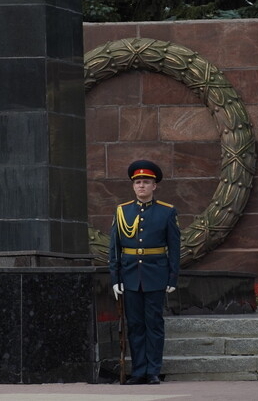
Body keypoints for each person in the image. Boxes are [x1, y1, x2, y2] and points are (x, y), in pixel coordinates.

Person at [108, 159, 180, 385]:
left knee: (154, 325)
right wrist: (115, 278)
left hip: (156, 275)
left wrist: (172, 277)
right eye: (138, 182)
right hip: (130, 276)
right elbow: (115, 249)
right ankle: (138, 371)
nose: (141, 186)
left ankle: (153, 371)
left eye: (146, 182)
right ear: (133, 186)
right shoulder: (122, 211)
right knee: (136, 325)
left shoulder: (166, 212)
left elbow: (175, 247)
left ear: (154, 186)